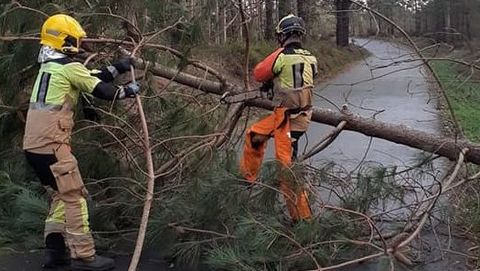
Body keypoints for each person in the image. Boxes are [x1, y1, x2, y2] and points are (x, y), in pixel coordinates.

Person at [23, 14, 140, 270]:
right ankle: (85, 255)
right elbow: (100, 89)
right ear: (66, 40)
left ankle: (56, 253)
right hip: (52, 144)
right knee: (75, 196)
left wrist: (119, 67)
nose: (81, 43)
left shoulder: (50, 66)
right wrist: (127, 91)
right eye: (77, 39)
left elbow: (91, 75)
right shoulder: (68, 67)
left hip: (33, 147)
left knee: (59, 196)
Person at [239, 14, 318, 222]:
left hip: (289, 121)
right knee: (255, 134)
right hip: (291, 116)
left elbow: (259, 73)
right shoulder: (311, 58)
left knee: (287, 172)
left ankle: (302, 219)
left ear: (282, 36)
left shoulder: (281, 56)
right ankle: (248, 178)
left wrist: (276, 61)